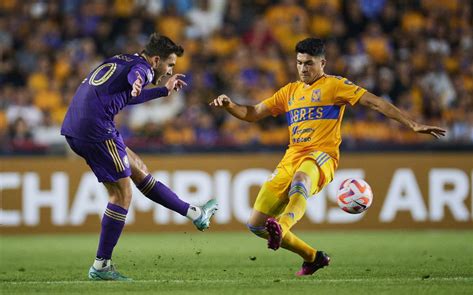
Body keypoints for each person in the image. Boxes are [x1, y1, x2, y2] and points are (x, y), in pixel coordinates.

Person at [210, 38, 446, 276]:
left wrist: (412, 124)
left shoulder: (335, 85)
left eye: (309, 63)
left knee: (301, 179)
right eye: (300, 63)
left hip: (322, 156)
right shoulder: (289, 92)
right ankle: (313, 258)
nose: (303, 68)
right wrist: (230, 105)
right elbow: (253, 113)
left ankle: (282, 226)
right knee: (256, 224)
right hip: (291, 156)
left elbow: (374, 102)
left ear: (322, 63)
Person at [61, 33, 218, 281]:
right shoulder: (143, 69)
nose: (169, 71)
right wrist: (138, 82)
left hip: (80, 125)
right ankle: (101, 265)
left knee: (138, 168)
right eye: (169, 65)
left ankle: (195, 214)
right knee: (121, 194)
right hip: (95, 129)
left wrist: (161, 92)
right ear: (156, 60)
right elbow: (138, 78)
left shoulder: (123, 59)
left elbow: (128, 93)